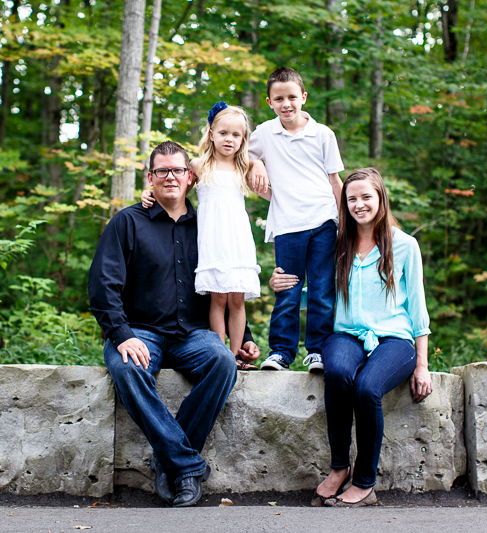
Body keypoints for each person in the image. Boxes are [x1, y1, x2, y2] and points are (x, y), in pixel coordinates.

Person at [88, 141, 261, 507]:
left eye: (177, 170)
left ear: (191, 177)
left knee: (221, 362)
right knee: (127, 367)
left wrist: (241, 337)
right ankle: (186, 467)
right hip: (141, 331)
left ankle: (171, 463)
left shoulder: (209, 223)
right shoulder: (127, 222)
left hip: (195, 333)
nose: (170, 177)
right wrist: (121, 335)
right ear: (149, 178)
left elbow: (227, 280)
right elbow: (103, 286)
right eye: (161, 171)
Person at [311, 168, 433, 507]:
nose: (359, 204)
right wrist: (284, 282)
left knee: (366, 387)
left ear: (380, 198)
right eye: (352, 198)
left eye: (366, 197)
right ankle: (339, 467)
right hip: (347, 335)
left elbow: (418, 311)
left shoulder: (405, 246)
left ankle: (364, 483)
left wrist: (422, 365)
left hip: (395, 340)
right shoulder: (339, 244)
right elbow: (317, 292)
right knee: (336, 372)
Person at [142, 103, 262, 370]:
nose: (229, 139)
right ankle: (220, 355)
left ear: (243, 139)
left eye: (236, 135)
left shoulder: (243, 166)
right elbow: (174, 186)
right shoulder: (199, 165)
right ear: (211, 134)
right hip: (211, 238)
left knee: (237, 298)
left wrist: (260, 163)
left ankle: (235, 354)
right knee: (218, 297)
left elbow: (258, 165)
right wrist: (149, 192)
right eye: (223, 133)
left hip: (237, 238)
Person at [248, 67, 345, 373]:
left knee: (321, 289)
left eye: (292, 96)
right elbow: (240, 156)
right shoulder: (264, 133)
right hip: (288, 225)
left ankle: (317, 351)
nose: (286, 103)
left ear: (303, 97)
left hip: (324, 221)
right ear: (269, 102)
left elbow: (335, 182)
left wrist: (346, 223)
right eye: (279, 99)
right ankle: (281, 352)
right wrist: (256, 162)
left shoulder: (323, 134)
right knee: (287, 289)